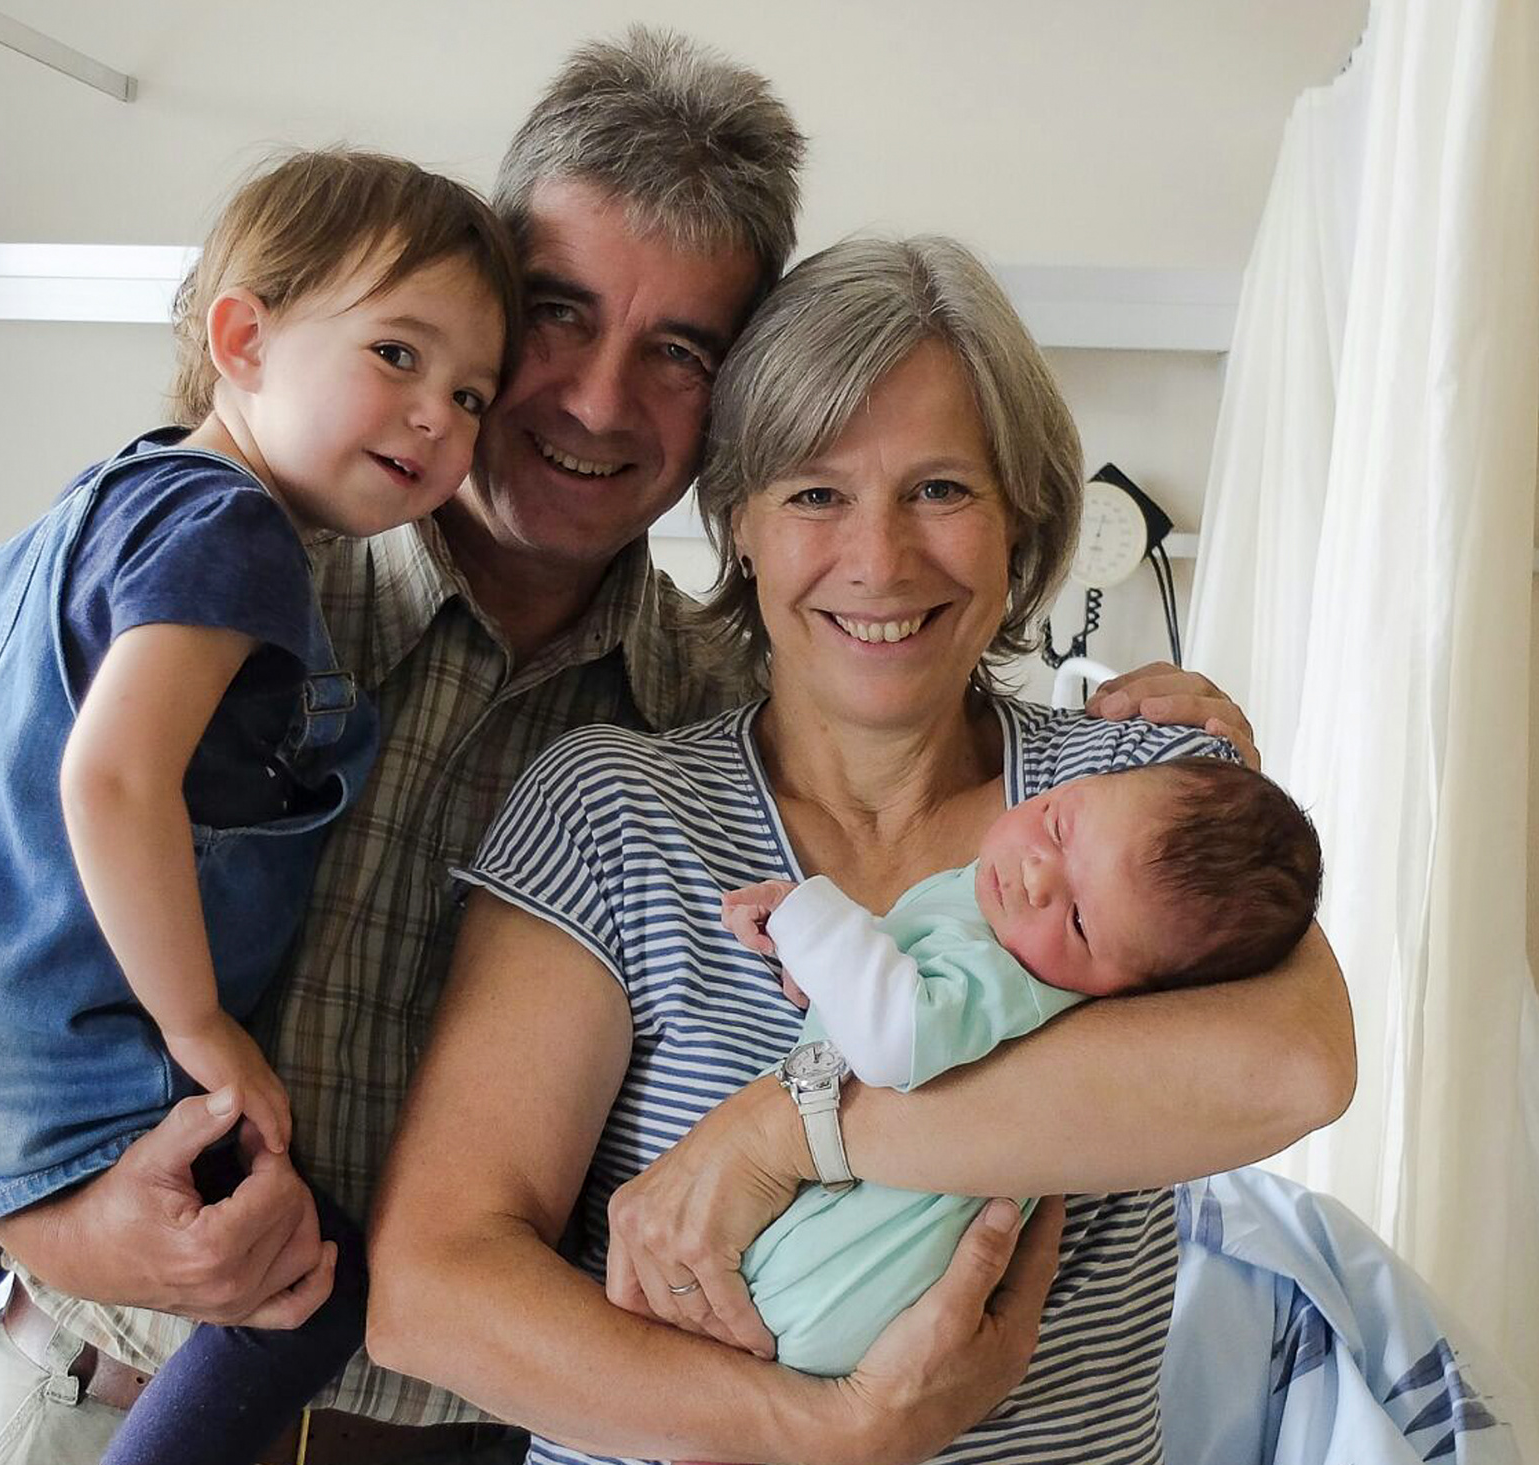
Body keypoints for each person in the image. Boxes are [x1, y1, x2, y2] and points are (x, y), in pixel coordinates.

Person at [0, 31, 1315, 1465]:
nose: (595, 397)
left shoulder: (707, 713)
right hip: (113, 1385)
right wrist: (57, 1219)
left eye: (679, 349)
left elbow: (914, 685)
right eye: (560, 315)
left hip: (484, 1425)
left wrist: (1140, 773)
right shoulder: (220, 582)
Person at [364, 236, 1353, 1465]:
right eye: (815, 494)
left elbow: (1295, 1070)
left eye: (940, 490)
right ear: (738, 523)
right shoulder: (615, 813)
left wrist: (785, 1130)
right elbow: (433, 1291)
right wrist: (826, 1430)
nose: (879, 561)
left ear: (1021, 518)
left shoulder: (1138, 798)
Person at [0, 151, 516, 1465]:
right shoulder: (238, 536)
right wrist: (199, 1026)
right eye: (398, 354)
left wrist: (14, 804)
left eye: (470, 395)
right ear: (244, 338)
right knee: (312, 1288)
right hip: (76, 1032)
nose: (437, 420)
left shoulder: (115, 487)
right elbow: (112, 779)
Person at [717, 756, 1322, 1388]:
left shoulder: (1013, 978)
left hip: (833, 1277)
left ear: (1129, 995)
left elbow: (894, 1038)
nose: (1036, 877)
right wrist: (824, 969)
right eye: (1060, 826)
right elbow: (911, 956)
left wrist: (808, 918)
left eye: (1080, 922)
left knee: (713, 1330)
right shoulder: (998, 911)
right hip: (828, 1250)